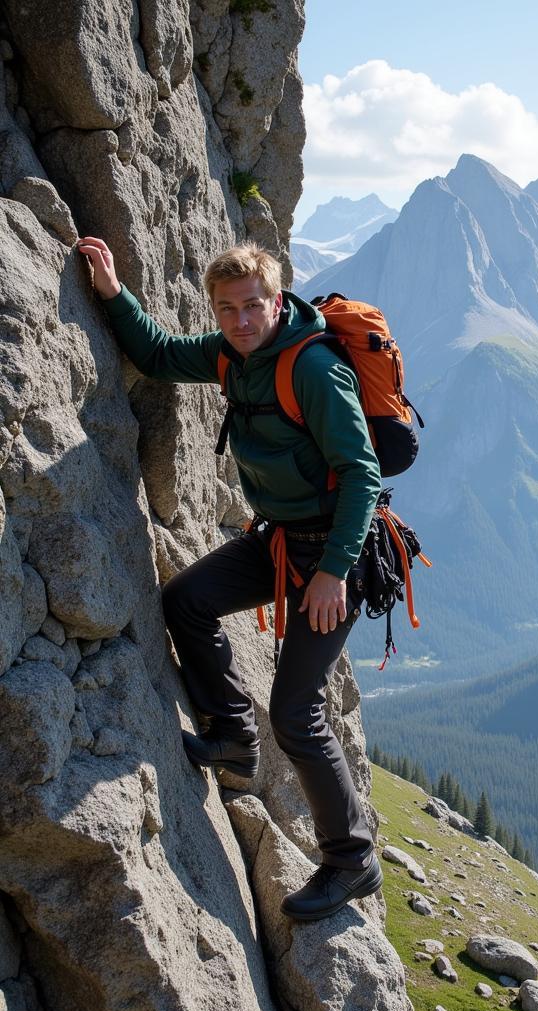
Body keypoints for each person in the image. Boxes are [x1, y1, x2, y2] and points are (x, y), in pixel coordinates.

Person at [77, 236, 384, 921]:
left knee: (299, 712)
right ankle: (232, 737)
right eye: (227, 309)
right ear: (216, 310)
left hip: (338, 554)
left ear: (277, 302)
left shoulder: (313, 369)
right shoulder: (229, 356)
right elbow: (156, 355)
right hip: (279, 542)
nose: (241, 320)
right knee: (186, 599)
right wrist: (110, 290)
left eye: (252, 305)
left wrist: (334, 572)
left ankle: (351, 861)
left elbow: (364, 472)